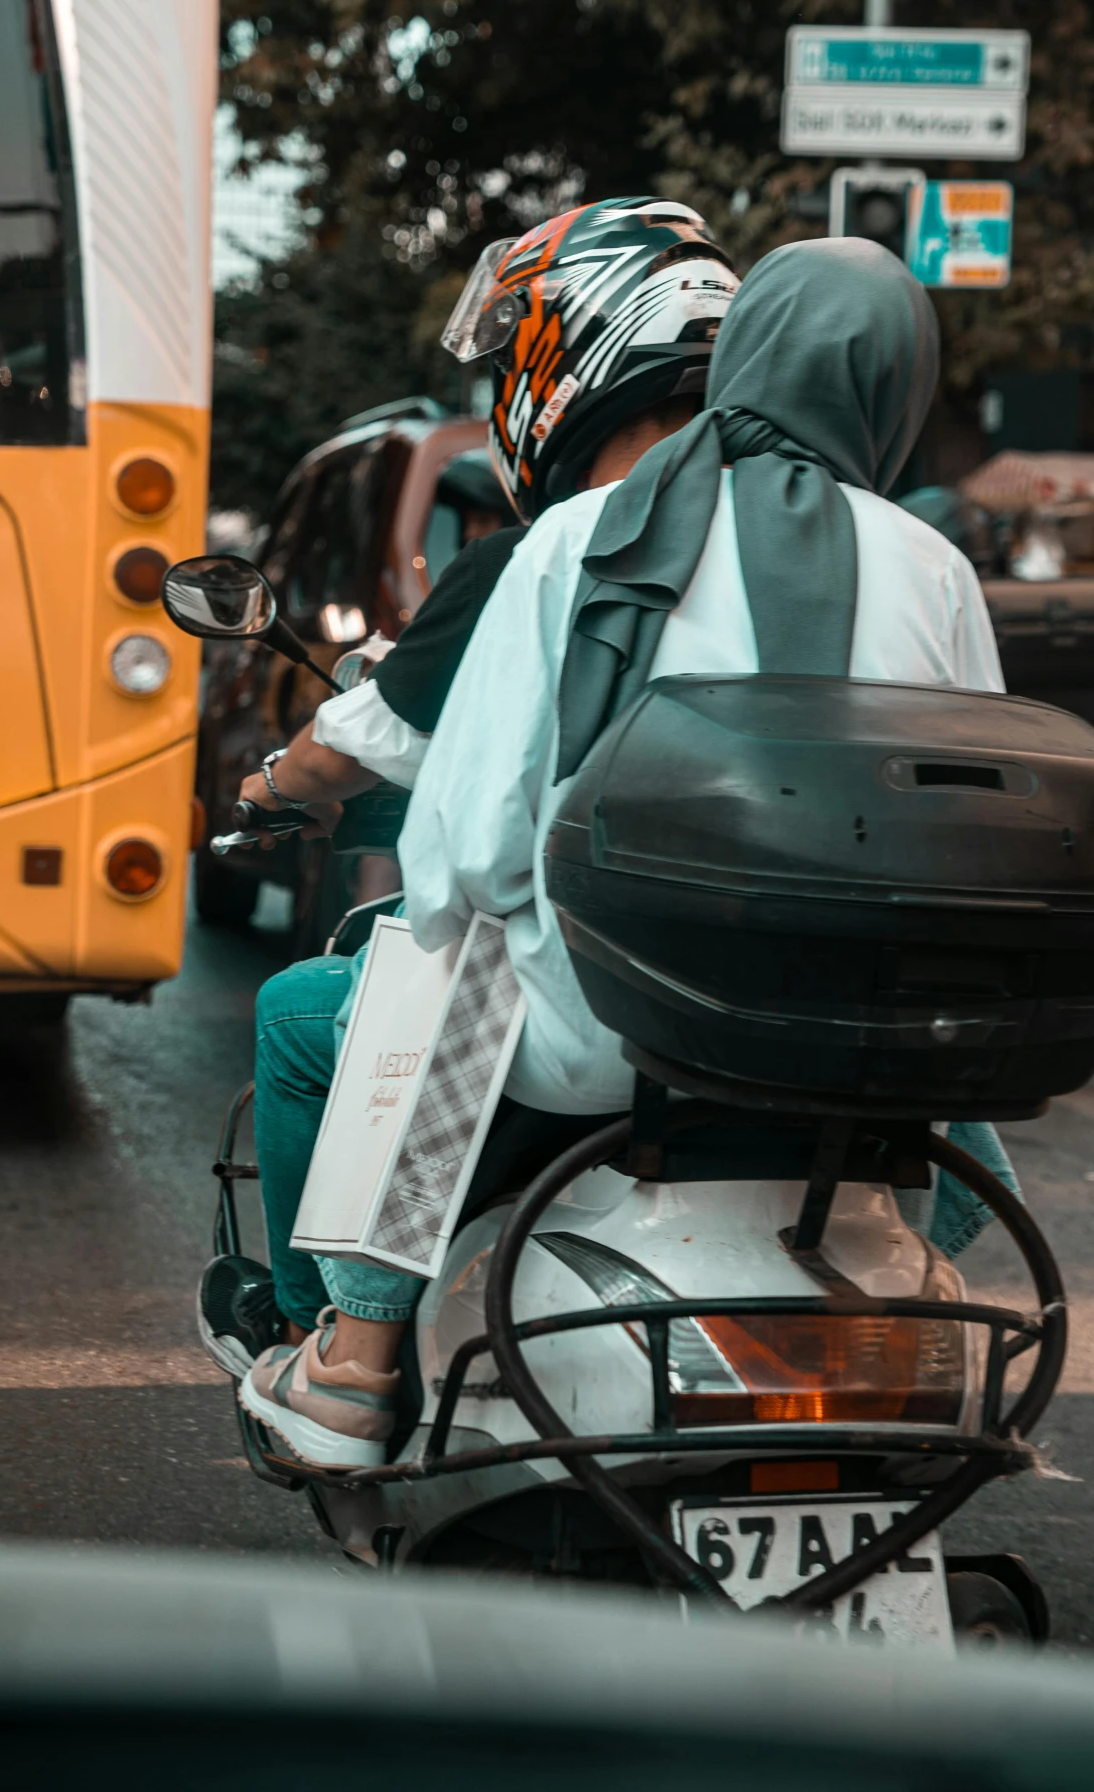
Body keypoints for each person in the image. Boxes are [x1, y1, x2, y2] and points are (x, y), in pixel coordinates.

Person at [240, 236, 1016, 1472]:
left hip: (596, 1044)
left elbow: (463, 840)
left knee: (445, 954)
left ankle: (357, 1355)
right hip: (840, 1046)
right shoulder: (932, 567)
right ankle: (875, 1299)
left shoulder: (569, 540)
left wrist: (507, 921)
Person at [219, 199, 741, 1459]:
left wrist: (278, 787)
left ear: (584, 345)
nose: (511, 374)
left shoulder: (549, 548)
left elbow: (425, 797)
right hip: (810, 1006)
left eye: (519, 345)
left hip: (597, 1014)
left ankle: (335, 1352)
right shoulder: (855, 544)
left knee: (319, 1006)